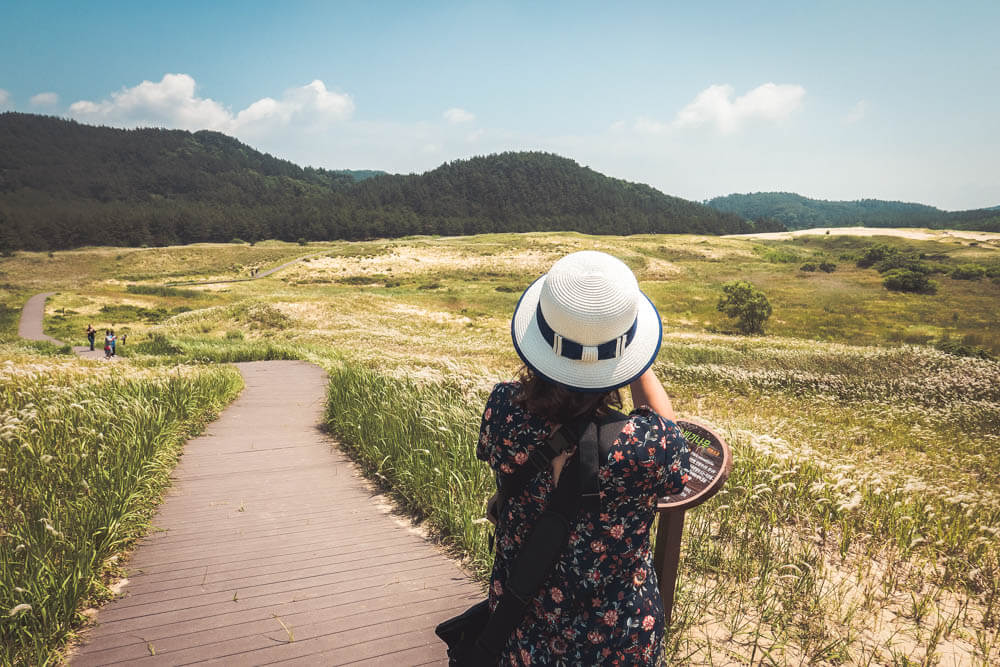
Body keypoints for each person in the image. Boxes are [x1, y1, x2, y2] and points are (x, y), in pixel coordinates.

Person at [477, 251, 690, 665]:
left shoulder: (502, 408)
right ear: (625, 356)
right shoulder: (644, 444)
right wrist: (634, 363)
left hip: (519, 627)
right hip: (617, 641)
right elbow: (674, 452)